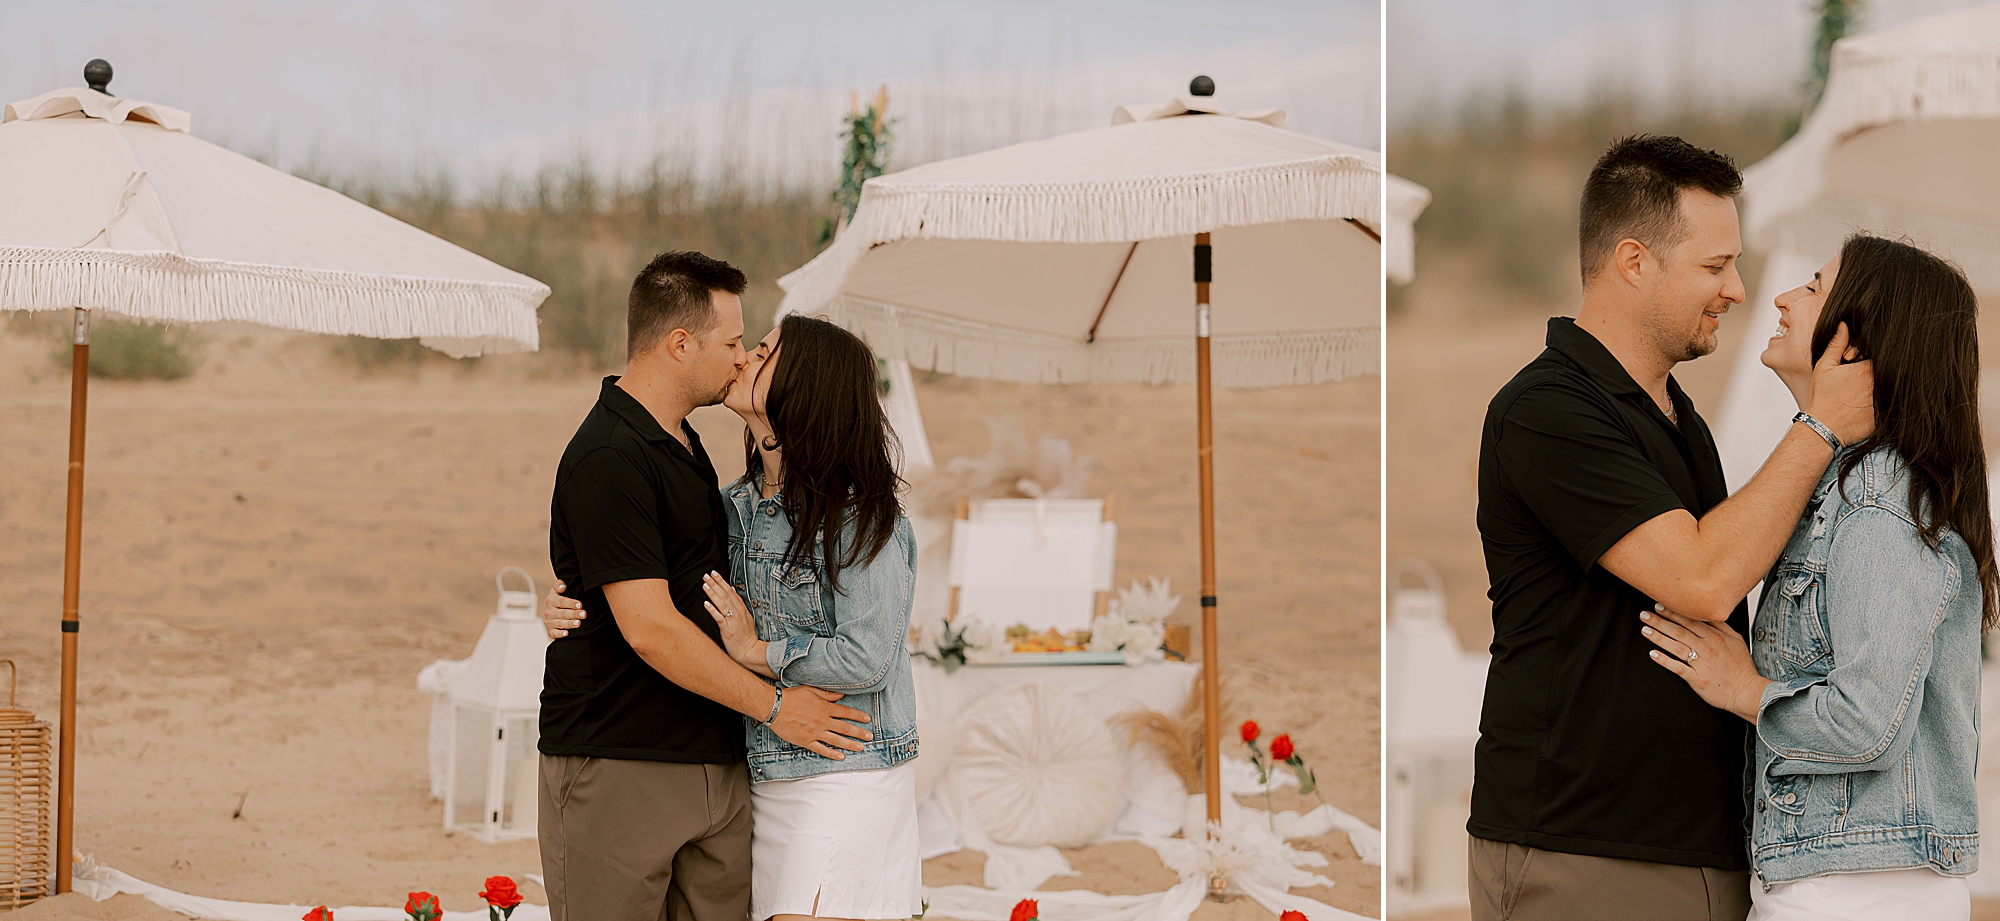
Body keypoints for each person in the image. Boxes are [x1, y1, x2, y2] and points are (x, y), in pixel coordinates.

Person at [1471, 135, 1874, 921]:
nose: (1736, 287)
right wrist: (1820, 424)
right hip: (1583, 851)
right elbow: (1701, 578)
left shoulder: (1678, 417)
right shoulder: (1547, 410)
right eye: (1715, 265)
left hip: (1696, 849)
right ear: (1633, 261)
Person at [1640, 234, 1991, 921]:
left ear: (1856, 343)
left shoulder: (1880, 498)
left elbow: (1869, 721)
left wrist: (1745, 688)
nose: (1779, 297)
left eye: (1810, 287)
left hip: (1858, 885)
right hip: (1843, 873)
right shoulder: (1848, 487)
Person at [545, 312, 924, 921]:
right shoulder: (734, 507)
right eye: (745, 345)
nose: (743, 357)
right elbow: (654, 585)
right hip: (763, 770)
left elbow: (868, 656)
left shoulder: (862, 517)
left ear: (806, 383)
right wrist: (574, 604)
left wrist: (759, 653)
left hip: (844, 769)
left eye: (763, 351)